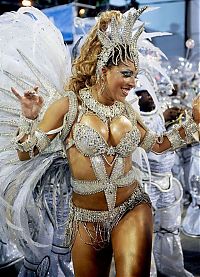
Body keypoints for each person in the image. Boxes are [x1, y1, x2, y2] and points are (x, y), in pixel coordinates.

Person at [0, 6, 200, 277]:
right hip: (85, 219)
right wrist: (29, 118)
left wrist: (193, 124)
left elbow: (157, 144)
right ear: (104, 69)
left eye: (136, 74)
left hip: (132, 206)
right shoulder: (68, 106)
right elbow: (27, 153)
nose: (133, 82)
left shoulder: (127, 110)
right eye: (127, 73)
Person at [135, 88, 194, 277]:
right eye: (144, 94)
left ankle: (171, 268)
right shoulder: (131, 119)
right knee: (144, 236)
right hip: (145, 184)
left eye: (151, 93)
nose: (150, 97)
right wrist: (192, 125)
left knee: (170, 228)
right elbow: (158, 145)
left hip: (167, 181)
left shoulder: (159, 114)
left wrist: (172, 120)